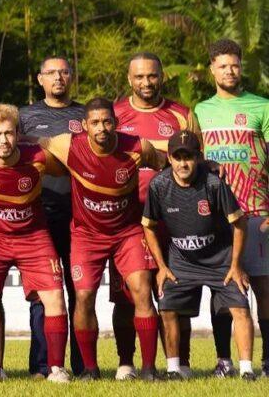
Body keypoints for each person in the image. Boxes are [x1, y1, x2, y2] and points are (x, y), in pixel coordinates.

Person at [37, 97, 165, 380]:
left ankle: (148, 369)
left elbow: (166, 163)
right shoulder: (69, 144)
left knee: (142, 291)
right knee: (83, 297)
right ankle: (90, 369)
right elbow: (35, 144)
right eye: (95, 122)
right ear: (84, 125)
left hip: (127, 234)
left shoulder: (137, 147)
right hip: (87, 236)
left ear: (116, 123)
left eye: (107, 121)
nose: (101, 128)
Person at [0, 104, 70, 382]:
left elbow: (72, 163)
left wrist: (40, 141)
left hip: (33, 237)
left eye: (9, 133)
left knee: (55, 299)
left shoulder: (37, 157)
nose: (4, 140)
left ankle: (56, 369)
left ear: (18, 134)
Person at [142, 130, 255, 381]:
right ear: (169, 158)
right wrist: (162, 266)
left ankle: (247, 370)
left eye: (189, 157)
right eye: (178, 157)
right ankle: (174, 369)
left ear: (199, 158)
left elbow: (240, 223)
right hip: (181, 260)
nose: (183, 163)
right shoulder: (158, 186)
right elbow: (148, 226)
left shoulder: (214, 183)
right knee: (167, 307)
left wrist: (236, 265)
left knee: (240, 307)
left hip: (220, 258)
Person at [114, 52, 200, 378]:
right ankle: (126, 362)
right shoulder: (114, 115)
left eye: (152, 75)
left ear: (162, 76)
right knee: (128, 295)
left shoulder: (182, 114)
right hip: (128, 220)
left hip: (175, 220)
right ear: (129, 79)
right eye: (139, 76)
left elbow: (197, 162)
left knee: (174, 292)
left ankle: (180, 363)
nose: (146, 82)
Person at [194, 38, 269, 377]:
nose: (229, 71)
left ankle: (267, 360)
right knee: (222, 288)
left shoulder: (262, 106)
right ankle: (223, 360)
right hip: (216, 215)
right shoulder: (200, 111)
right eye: (223, 66)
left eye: (235, 65)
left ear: (241, 68)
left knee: (264, 289)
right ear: (212, 69)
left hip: (256, 212)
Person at [17, 56, 84, 378]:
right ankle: (42, 366)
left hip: (81, 218)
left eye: (63, 72)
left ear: (71, 76)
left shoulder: (86, 115)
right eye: (51, 73)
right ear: (39, 78)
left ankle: (85, 366)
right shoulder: (24, 117)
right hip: (40, 219)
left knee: (80, 293)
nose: (58, 77)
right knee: (42, 296)